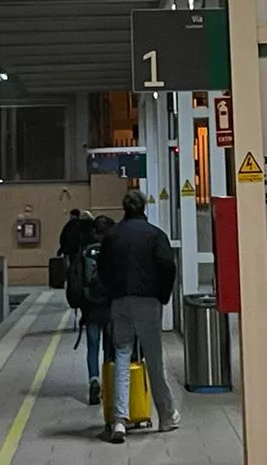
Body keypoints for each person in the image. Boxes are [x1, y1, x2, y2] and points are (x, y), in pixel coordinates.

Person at [100, 189, 179, 443]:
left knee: (122, 355)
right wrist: (162, 295)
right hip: (148, 301)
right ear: (143, 207)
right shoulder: (155, 234)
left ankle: (119, 420)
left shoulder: (112, 236)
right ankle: (166, 416)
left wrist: (112, 292)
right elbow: (167, 265)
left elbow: (102, 268)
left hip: (119, 301)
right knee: (154, 359)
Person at [69, 214, 115, 407]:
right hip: (110, 305)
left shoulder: (84, 250)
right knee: (109, 346)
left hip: (90, 306)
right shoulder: (113, 248)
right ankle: (109, 383)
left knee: (93, 345)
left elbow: (76, 279)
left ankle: (93, 380)